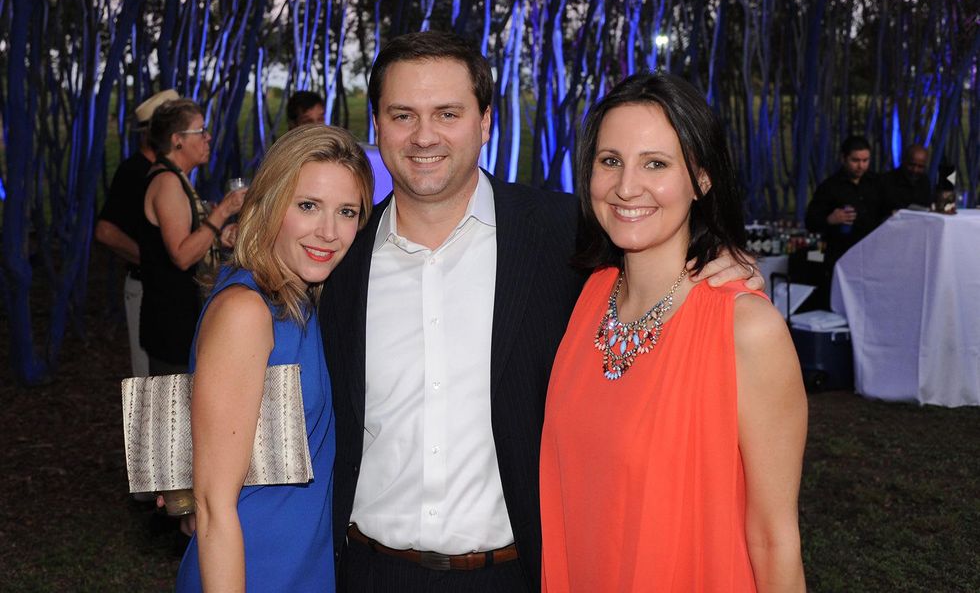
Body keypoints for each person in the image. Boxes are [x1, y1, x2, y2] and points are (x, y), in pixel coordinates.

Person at [319, 30, 762, 592]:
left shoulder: (566, 237)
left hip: (519, 574)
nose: (424, 135)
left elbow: (656, 242)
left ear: (484, 123)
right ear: (376, 126)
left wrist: (724, 258)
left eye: (448, 113)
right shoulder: (337, 260)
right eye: (402, 114)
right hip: (367, 571)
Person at [540, 72, 807, 592]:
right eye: (610, 160)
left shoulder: (746, 329)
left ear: (701, 180)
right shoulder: (589, 297)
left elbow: (775, 538)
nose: (625, 187)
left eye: (655, 164)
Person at [175, 125, 374, 592]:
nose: (328, 231)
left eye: (346, 212)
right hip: (255, 568)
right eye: (308, 206)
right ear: (269, 205)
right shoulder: (247, 311)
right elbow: (211, 507)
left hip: (309, 562)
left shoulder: (306, 303)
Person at [139, 99, 246, 375]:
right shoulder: (167, 182)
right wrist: (223, 211)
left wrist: (219, 237)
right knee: (172, 413)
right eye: (201, 131)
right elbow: (182, 255)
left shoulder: (178, 178)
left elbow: (189, 238)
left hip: (181, 319)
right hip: (171, 324)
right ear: (177, 140)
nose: (207, 137)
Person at [95, 89, 179, 377]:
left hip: (161, 290)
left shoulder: (164, 171)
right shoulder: (135, 172)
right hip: (146, 288)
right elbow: (106, 231)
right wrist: (154, 260)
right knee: (150, 382)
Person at [804, 135, 883, 305]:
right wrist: (830, 219)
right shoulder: (830, 187)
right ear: (844, 158)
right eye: (855, 160)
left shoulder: (876, 183)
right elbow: (810, 221)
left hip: (872, 256)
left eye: (865, 160)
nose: (861, 165)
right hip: (841, 257)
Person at [879, 143, 931, 214]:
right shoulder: (886, 181)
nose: (915, 170)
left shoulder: (925, 182)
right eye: (911, 165)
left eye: (920, 167)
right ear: (903, 161)